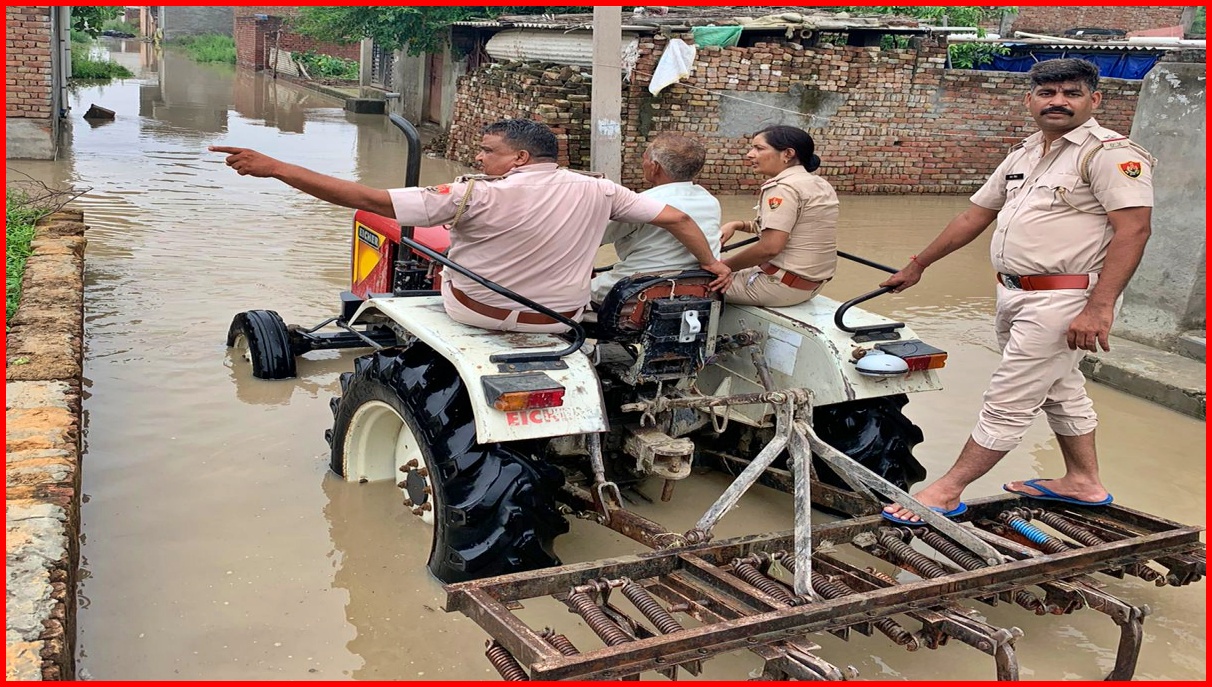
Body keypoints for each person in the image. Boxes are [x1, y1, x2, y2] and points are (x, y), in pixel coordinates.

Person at [879, 58, 1154, 524]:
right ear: (1030, 100)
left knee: (1009, 397)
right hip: (1016, 294)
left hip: (1065, 299)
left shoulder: (1110, 153)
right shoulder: (1026, 152)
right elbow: (975, 215)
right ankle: (1083, 481)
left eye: (1071, 93)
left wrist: (1099, 307)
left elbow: (1135, 230)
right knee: (1061, 388)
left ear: (1095, 100)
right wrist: (919, 264)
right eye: (1048, 93)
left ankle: (947, 490)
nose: (1058, 102)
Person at [210, 118, 730, 334]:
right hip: (561, 320)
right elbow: (679, 217)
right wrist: (711, 264)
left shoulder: (470, 195)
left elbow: (367, 198)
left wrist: (277, 168)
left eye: (487, 150)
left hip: (484, 313)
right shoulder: (602, 189)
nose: (479, 157)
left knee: (438, 268)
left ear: (519, 157)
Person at [591, 133, 722, 302]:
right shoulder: (710, 201)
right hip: (693, 288)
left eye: (644, 159)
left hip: (633, 289)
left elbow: (595, 236)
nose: (642, 164)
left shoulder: (642, 202)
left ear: (655, 167)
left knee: (570, 295)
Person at [717, 125, 838, 307]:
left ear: (787, 154)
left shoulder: (783, 188)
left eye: (759, 148)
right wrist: (738, 225)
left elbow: (769, 248)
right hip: (808, 286)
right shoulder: (819, 183)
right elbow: (788, 226)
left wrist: (724, 266)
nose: (750, 154)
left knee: (687, 285)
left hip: (779, 287)